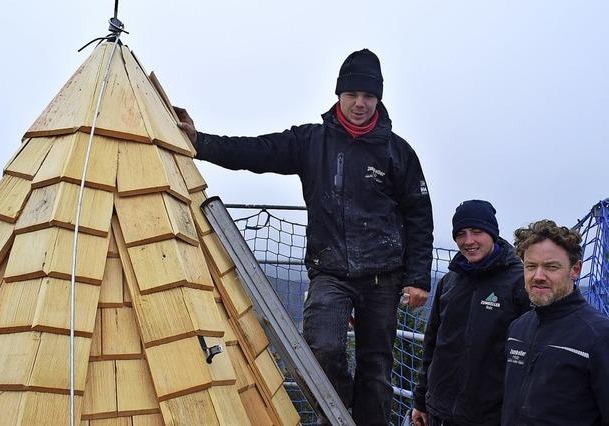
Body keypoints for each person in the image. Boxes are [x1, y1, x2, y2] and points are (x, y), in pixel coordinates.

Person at [175, 48, 433, 425]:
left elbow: (419, 216)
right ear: (338, 96)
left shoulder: (398, 153)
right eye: (352, 95)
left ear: (378, 98)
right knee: (322, 350)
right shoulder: (312, 142)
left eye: (368, 96)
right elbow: (256, 151)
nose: (360, 103)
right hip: (330, 272)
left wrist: (417, 278)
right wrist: (201, 142)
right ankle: (341, 414)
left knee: (376, 371)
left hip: (383, 276)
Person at [412, 200, 531, 426]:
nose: (469, 241)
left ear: (492, 233)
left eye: (477, 232)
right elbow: (432, 344)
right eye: (461, 234)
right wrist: (420, 400)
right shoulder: (449, 281)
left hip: (490, 415)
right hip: (440, 409)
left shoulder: (520, 282)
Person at [502, 220, 609, 425]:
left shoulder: (600, 336)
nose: (538, 276)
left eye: (551, 267)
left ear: (575, 270)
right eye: (531, 266)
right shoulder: (518, 328)